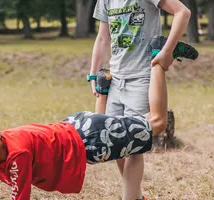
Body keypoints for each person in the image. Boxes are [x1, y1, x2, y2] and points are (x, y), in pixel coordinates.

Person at [0, 44, 196, 199]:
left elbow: (20, 196)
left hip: (89, 141)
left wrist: (159, 59)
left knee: (157, 123)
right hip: (78, 127)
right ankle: (104, 87)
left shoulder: (17, 155)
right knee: (123, 139)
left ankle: (159, 58)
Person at [89, 0, 192, 199]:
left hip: (142, 77)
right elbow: (103, 37)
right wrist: (93, 74)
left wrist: (166, 52)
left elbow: (183, 12)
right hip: (115, 79)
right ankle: (137, 197)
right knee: (114, 143)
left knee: (135, 144)